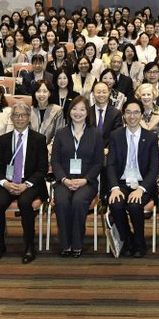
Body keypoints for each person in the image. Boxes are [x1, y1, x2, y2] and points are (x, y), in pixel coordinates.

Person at [0, 101, 49, 264]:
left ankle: (29, 245)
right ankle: (0, 245)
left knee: (24, 203)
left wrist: (26, 184)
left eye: (23, 115)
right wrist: (5, 184)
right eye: (16, 115)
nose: (20, 118)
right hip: (9, 183)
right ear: (12, 118)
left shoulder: (38, 139)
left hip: (30, 183)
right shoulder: (4, 139)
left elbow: (42, 169)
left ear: (29, 117)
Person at [105, 100, 159, 258]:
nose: (132, 116)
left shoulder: (150, 138)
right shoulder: (116, 136)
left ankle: (140, 242)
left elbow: (153, 168)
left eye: (136, 112)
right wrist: (114, 187)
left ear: (141, 115)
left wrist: (141, 189)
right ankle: (127, 238)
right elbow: (111, 165)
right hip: (121, 183)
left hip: (143, 184)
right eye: (128, 112)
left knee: (135, 205)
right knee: (115, 204)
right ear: (123, 115)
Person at [51, 96, 104, 258]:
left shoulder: (95, 134)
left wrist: (85, 179)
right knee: (61, 202)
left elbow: (98, 162)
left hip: (87, 182)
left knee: (78, 201)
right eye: (74, 109)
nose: (78, 113)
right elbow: (55, 160)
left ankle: (77, 243)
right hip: (64, 181)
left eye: (82, 109)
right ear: (69, 111)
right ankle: (66, 244)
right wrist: (64, 180)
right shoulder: (61, 133)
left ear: (87, 113)